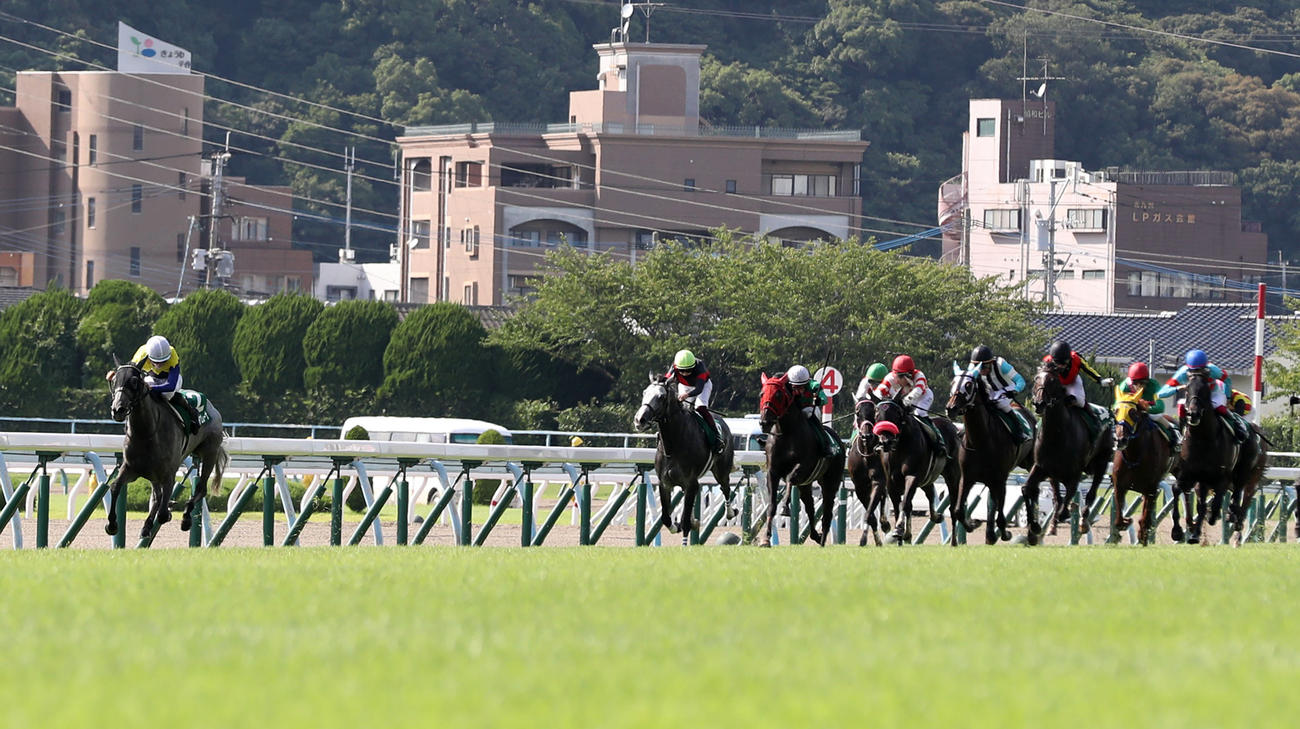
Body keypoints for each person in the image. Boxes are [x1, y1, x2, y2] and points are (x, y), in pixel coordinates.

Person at [1156, 349, 1249, 441]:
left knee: (1219, 407)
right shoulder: (1182, 372)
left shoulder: (1213, 370)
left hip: (1213, 394)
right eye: (1194, 371)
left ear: (1206, 366)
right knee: (1181, 405)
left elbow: (1227, 380)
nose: (1197, 374)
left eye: (1201, 370)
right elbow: (1161, 393)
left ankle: (1237, 425)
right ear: (1188, 368)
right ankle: (1181, 433)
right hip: (1193, 397)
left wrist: (1228, 397)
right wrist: (1177, 388)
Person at [129, 334, 201, 434]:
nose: (159, 364)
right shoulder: (141, 355)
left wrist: (152, 388)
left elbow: (171, 386)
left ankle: (191, 412)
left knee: (166, 395)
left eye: (163, 361)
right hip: (151, 378)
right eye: (156, 361)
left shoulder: (172, 354)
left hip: (170, 380)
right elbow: (128, 373)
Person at [665, 349, 724, 453]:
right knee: (680, 409)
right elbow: (665, 380)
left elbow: (699, 389)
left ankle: (716, 436)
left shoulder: (700, 367)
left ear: (694, 366)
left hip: (703, 385)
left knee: (700, 408)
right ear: (677, 367)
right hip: (684, 385)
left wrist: (686, 395)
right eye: (682, 371)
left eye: (688, 370)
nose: (685, 373)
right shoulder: (674, 366)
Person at [968, 345, 1030, 443]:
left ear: (991, 362)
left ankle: (1019, 430)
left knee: (1001, 403)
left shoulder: (1001, 364)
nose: (981, 371)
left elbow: (1020, 381)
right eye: (979, 367)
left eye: (985, 366)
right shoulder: (972, 368)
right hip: (991, 391)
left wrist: (1015, 391)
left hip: (1008, 388)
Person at [1115, 361, 1178, 443]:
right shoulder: (1124, 387)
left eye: (1142, 383)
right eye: (1135, 383)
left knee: (1158, 417)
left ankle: (1173, 437)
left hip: (1149, 411)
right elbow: (1116, 406)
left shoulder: (1153, 385)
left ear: (1147, 381)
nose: (1139, 386)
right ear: (1131, 381)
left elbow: (1160, 407)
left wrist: (1147, 408)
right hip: (1129, 413)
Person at [786, 365, 837, 457]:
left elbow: (824, 399)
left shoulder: (814, 386)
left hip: (809, 409)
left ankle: (826, 444)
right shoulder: (786, 386)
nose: (798, 390)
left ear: (806, 383)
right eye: (795, 387)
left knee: (808, 413)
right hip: (793, 411)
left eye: (801, 387)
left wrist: (819, 400)